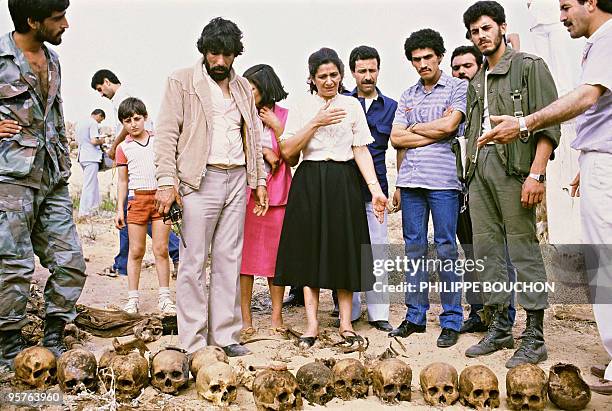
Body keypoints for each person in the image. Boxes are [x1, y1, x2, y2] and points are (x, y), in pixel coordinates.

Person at [482, 0, 612, 391]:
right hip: (598, 159)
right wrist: (585, 165)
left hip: (596, 162)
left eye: (567, 6)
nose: (561, 16)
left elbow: (586, 98)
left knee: (604, 260)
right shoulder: (598, 43)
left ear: (592, 2)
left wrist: (525, 123)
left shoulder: (605, 40)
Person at [154, 17, 268, 357]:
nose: (220, 62)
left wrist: (258, 180)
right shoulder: (182, 80)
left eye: (227, 55)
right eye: (214, 53)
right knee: (192, 261)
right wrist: (165, 182)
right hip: (198, 180)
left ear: (236, 55)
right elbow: (166, 133)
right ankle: (192, 342)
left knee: (229, 260)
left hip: (237, 179)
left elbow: (253, 135)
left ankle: (226, 335)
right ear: (204, 50)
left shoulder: (244, 88)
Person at [461, 0, 560, 368]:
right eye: (474, 32)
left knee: (523, 250)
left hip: (516, 170)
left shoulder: (528, 67)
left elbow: (548, 124)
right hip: (479, 170)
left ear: (502, 27)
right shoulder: (475, 79)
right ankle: (501, 326)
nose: (481, 36)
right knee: (487, 251)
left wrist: (536, 174)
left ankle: (534, 334)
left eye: (486, 28)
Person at [273, 47, 387, 348]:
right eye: (321, 76)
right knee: (310, 251)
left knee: (343, 250)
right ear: (312, 78)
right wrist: (315, 122)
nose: (328, 81)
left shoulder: (351, 106)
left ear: (340, 75)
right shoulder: (301, 105)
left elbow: (361, 149)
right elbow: (288, 153)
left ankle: (346, 323)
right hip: (309, 180)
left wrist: (375, 190)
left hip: (343, 180)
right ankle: (311, 324)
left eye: (333, 75)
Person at [0, 0, 86, 370]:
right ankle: (7, 350)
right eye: (57, 18)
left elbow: (55, 113)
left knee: (71, 263)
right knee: (13, 268)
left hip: (52, 176)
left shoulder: (52, 60)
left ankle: (53, 337)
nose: (65, 24)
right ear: (32, 20)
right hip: (11, 181)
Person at [388, 29, 467, 349]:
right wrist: (433, 131)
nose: (422, 64)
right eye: (416, 59)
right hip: (410, 181)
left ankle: (451, 320)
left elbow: (451, 127)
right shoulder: (408, 95)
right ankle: (415, 316)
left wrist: (415, 129)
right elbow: (396, 138)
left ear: (439, 57)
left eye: (427, 58)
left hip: (445, 181)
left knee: (447, 248)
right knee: (414, 249)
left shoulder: (457, 87)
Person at [449, 46, 518, 334]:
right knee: (470, 254)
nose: (461, 72)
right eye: (456, 67)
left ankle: (502, 317)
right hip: (462, 189)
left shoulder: (492, 101)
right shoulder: (456, 105)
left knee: (497, 254)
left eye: (467, 65)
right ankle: (478, 312)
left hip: (491, 186)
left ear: (480, 67)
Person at [90, 69, 180, 277]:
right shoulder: (120, 99)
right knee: (132, 211)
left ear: (106, 81)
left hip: (139, 156)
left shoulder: (124, 98)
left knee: (138, 213)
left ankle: (171, 252)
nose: (101, 94)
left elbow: (130, 125)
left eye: (100, 89)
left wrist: (116, 146)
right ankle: (123, 263)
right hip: (132, 156)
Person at [345, 45, 397, 332]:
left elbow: (398, 144)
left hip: (376, 191)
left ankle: (378, 313)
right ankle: (349, 311)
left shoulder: (390, 107)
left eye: (372, 70)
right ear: (353, 72)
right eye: (362, 70)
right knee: (349, 249)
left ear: (379, 70)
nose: (367, 76)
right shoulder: (342, 103)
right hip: (345, 188)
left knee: (376, 250)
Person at [239, 64, 291, 337]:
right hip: (247, 194)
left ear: (265, 87)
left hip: (279, 193)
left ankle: (276, 316)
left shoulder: (284, 115)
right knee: (245, 260)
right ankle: (246, 319)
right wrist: (264, 149)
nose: (248, 91)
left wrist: (277, 128)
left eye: (253, 87)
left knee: (275, 260)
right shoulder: (241, 114)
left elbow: (292, 153)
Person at [114, 98, 176, 315]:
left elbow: (171, 168)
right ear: (123, 123)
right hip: (137, 200)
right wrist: (119, 209)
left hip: (160, 199)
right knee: (136, 250)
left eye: (137, 118)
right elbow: (122, 181)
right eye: (127, 120)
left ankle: (165, 297)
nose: (133, 124)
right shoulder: (123, 148)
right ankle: (132, 299)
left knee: (161, 249)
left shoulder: (158, 141)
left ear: (145, 118)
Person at [76, 109, 106, 218]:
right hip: (91, 157)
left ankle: (93, 209)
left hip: (82, 156)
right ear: (99, 115)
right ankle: (84, 212)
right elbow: (94, 141)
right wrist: (102, 140)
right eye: (101, 120)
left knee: (93, 183)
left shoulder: (80, 123)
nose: (100, 122)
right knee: (89, 185)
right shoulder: (93, 123)